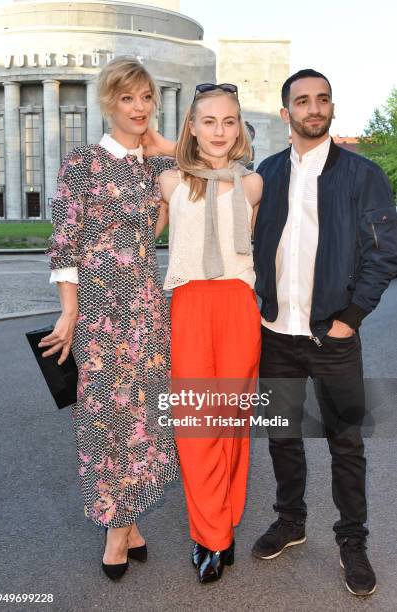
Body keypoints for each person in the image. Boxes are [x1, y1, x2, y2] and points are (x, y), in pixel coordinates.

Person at [252, 69, 397, 596]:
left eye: (323, 99)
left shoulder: (361, 175)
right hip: (274, 334)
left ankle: (351, 542)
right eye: (303, 101)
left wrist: (350, 318)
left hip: (332, 338)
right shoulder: (265, 173)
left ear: (331, 107)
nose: (315, 108)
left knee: (346, 442)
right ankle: (290, 521)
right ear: (286, 110)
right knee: (283, 436)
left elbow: (384, 251)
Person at [40, 57, 179, 581]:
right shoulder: (82, 163)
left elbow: (217, 165)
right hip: (99, 309)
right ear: (108, 103)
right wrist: (70, 311)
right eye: (128, 98)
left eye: (147, 98)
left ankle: (127, 521)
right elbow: (64, 242)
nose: (139, 107)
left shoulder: (158, 167)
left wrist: (162, 145)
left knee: (144, 418)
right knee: (104, 420)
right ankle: (117, 526)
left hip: (146, 307)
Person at [155, 83, 263, 583]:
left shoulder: (253, 185)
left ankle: (222, 522)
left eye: (229, 121)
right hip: (191, 303)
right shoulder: (171, 183)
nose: (220, 131)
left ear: (238, 127)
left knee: (231, 424)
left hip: (238, 305)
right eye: (209, 121)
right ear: (192, 127)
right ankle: (211, 534)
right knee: (197, 426)